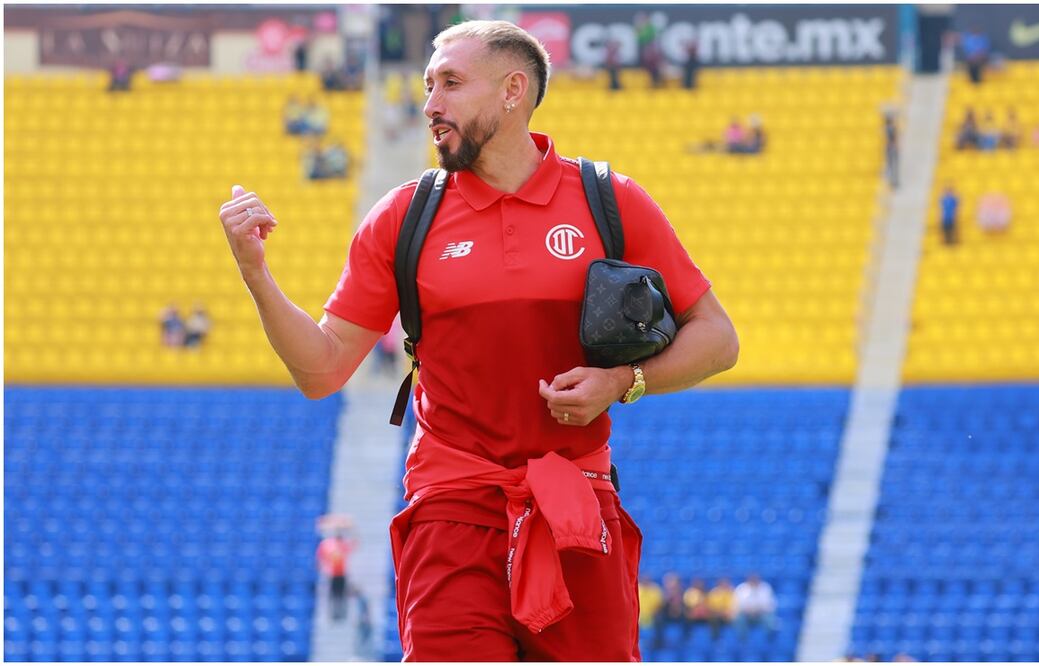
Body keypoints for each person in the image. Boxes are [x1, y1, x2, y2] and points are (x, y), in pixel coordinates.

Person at [217, 19, 738, 661]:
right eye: (428, 85)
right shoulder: (404, 218)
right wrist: (256, 274)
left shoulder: (611, 200)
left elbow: (717, 338)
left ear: (513, 90)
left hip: (575, 505)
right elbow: (321, 370)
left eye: (452, 83)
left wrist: (622, 381)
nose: (431, 103)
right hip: (450, 508)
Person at [316, 529, 356, 622]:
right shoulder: (328, 545)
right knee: (333, 595)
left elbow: (354, 545)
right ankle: (333, 614)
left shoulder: (342, 545)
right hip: (331, 574)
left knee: (341, 594)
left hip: (341, 573)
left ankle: (341, 614)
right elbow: (320, 556)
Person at [883, 111, 900, 189]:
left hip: (889, 148)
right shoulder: (890, 128)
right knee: (893, 165)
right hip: (891, 148)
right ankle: (893, 182)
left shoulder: (887, 128)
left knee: (891, 165)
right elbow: (893, 139)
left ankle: (892, 181)